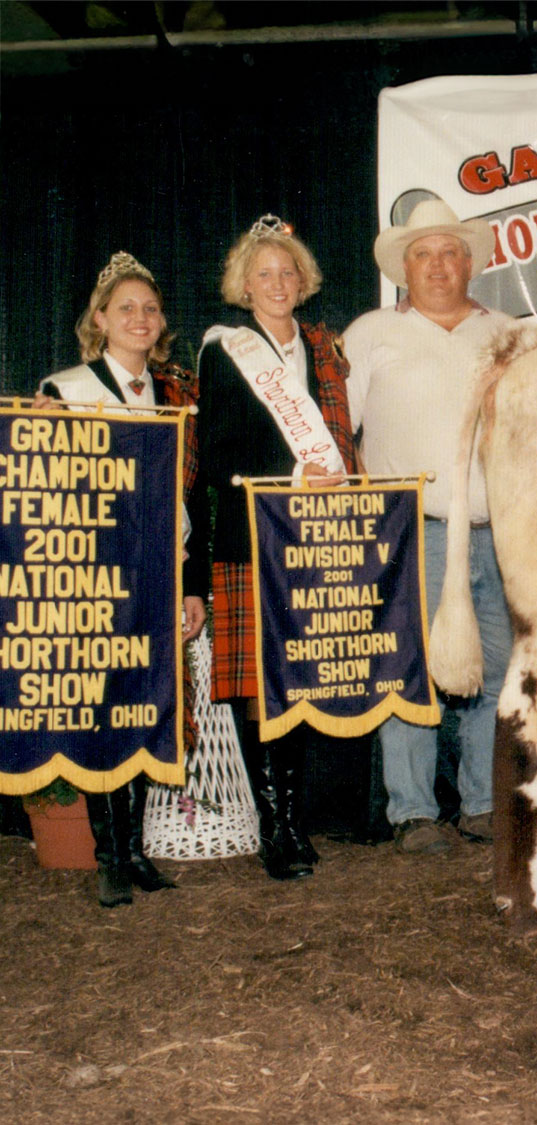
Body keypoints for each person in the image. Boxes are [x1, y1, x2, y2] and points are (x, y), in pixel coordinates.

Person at [194, 215, 360, 881]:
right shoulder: (226, 349)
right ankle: (274, 826)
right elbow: (218, 449)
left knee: (299, 677)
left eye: (287, 270)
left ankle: (295, 816)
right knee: (256, 686)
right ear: (244, 283)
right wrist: (296, 474)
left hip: (315, 537)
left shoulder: (322, 348)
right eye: (263, 272)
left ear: (303, 280)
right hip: (250, 532)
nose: (277, 282)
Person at [343, 199, 511, 857]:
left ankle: (483, 802)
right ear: (403, 267)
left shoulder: (507, 331)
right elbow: (336, 431)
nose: (439, 266)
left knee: (496, 667)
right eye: (424, 254)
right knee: (406, 668)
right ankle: (413, 810)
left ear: (469, 263)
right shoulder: (370, 333)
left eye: (450, 252)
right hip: (410, 526)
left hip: (498, 528)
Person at [37, 252, 204, 907]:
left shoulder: (176, 393)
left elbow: (192, 495)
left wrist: (191, 582)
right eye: (126, 307)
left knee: (145, 702)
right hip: (95, 570)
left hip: (161, 567)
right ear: (100, 318)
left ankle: (135, 851)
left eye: (150, 308)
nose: (140, 317)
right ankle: (108, 853)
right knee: (104, 705)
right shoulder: (65, 389)